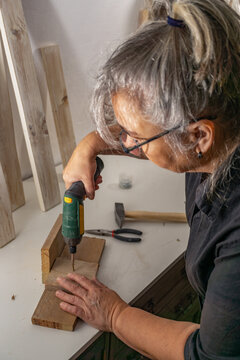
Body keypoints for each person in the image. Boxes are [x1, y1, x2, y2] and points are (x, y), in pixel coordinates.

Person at [55, 0, 240, 359]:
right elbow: (155, 134)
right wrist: (90, 145)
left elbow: (208, 354)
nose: (125, 143)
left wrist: (114, 313)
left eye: (134, 136)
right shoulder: (225, 117)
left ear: (199, 137)